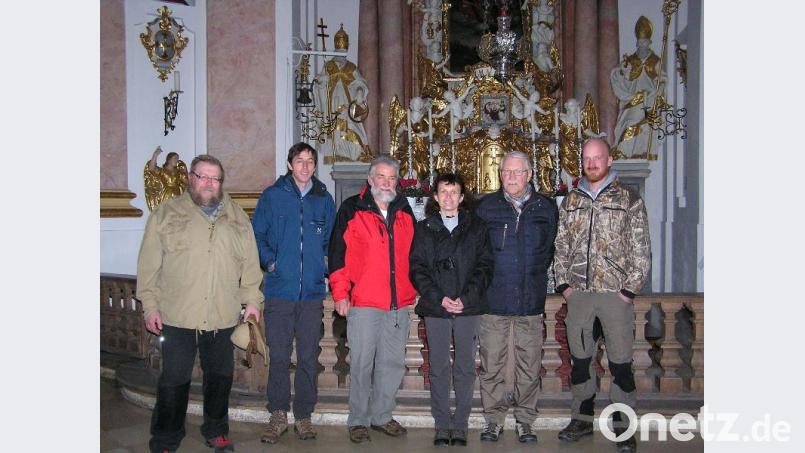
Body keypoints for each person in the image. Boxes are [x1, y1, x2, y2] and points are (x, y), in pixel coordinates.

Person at [137, 154, 264, 453]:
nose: (208, 183)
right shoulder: (166, 213)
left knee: (220, 378)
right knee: (173, 380)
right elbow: (148, 265)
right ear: (190, 178)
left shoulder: (236, 217)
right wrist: (150, 305)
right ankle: (166, 438)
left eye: (215, 178)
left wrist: (252, 301)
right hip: (177, 315)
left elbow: (250, 266)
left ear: (221, 182)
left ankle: (217, 431)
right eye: (202, 176)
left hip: (222, 314)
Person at [554, 138, 651, 453]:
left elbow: (641, 249)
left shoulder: (629, 198)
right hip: (579, 295)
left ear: (610, 160)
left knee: (621, 363)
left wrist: (628, 290)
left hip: (614, 295)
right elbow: (561, 244)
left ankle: (623, 425)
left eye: (598, 158)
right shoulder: (571, 200)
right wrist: (564, 285)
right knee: (581, 362)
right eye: (587, 158)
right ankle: (581, 419)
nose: (592, 163)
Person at [328, 156, 417, 444]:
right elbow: (337, 254)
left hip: (397, 303)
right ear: (370, 179)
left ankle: (381, 416)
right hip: (364, 301)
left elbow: (415, 256)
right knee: (362, 363)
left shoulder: (404, 211)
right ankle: (358, 420)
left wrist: (414, 288)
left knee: (391, 364)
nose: (387, 183)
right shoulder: (352, 209)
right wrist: (340, 293)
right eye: (381, 177)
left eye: (392, 178)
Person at [252, 143, 336, 444]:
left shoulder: (324, 200)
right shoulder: (272, 196)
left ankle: (303, 415)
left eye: (310, 161)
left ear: (315, 166)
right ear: (289, 164)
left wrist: (323, 269)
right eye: (299, 161)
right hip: (280, 291)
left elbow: (330, 242)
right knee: (278, 356)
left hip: (312, 294)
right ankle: (277, 414)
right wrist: (270, 262)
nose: (304, 166)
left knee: (308, 357)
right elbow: (257, 234)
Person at [475, 151, 558, 443]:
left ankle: (525, 420)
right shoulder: (485, 207)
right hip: (494, 300)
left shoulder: (545, 208)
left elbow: (549, 250)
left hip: (529, 300)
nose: (510, 177)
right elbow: (478, 253)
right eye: (506, 172)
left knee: (529, 363)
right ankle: (493, 420)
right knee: (492, 363)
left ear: (529, 175)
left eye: (517, 172)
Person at [410, 173, 494, 446]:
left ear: (461, 197)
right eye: (443, 192)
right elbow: (418, 268)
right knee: (438, 366)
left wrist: (465, 298)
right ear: (435, 197)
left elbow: (485, 266)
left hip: (467, 306)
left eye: (454, 192)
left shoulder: (477, 227)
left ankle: (461, 424)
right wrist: (439, 297)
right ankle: (442, 423)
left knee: (466, 366)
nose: (448, 197)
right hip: (437, 306)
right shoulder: (424, 228)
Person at [312, 24, 371, 162]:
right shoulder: (328, 66)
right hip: (331, 105)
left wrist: (360, 92)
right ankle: (337, 150)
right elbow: (318, 84)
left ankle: (354, 152)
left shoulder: (351, 67)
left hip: (348, 104)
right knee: (334, 127)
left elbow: (360, 83)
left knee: (351, 127)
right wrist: (322, 81)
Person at [610, 16, 665, 159]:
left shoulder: (655, 61)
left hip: (649, 99)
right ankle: (624, 151)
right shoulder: (630, 60)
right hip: (632, 100)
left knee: (645, 126)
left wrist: (659, 88)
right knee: (626, 124)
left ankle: (639, 151)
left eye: (645, 42)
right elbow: (619, 76)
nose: (642, 45)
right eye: (640, 42)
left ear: (649, 42)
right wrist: (622, 71)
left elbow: (662, 79)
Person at [143, 146, 188, 211]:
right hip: (166, 195)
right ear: (169, 160)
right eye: (175, 158)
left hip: (177, 195)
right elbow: (151, 169)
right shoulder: (162, 171)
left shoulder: (178, 173)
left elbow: (187, 182)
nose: (176, 161)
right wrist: (155, 155)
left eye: (177, 159)